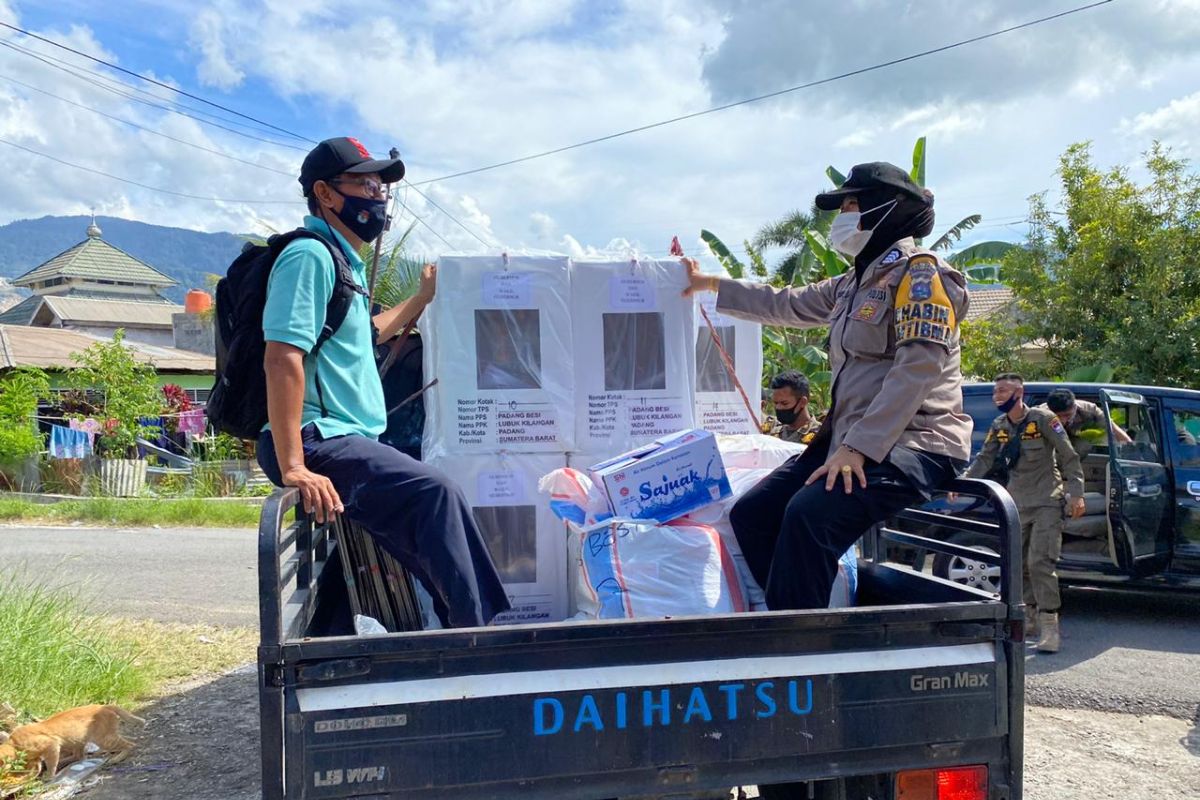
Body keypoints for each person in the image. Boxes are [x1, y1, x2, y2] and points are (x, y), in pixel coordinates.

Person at [683, 161, 972, 614]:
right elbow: (789, 303)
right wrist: (710, 285)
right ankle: (797, 616)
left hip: (913, 443)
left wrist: (859, 448)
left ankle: (801, 647)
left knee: (809, 516)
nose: (843, 216)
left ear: (883, 209)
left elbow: (918, 369)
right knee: (753, 514)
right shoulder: (855, 282)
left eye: (852, 204)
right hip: (850, 438)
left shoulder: (921, 277)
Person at [256, 136, 509, 629]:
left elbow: (371, 332)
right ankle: (475, 641)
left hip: (340, 438)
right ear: (326, 194)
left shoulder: (340, 262)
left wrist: (422, 297)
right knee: (435, 496)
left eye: (381, 186)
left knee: (413, 538)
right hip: (317, 438)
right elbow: (282, 356)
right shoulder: (309, 256)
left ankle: (341, 641)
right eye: (366, 183)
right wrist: (294, 467)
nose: (377, 195)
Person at [962, 374, 1085, 653]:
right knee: (1018, 563)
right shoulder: (999, 425)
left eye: (1003, 391)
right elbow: (985, 458)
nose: (997, 396)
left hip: (1046, 502)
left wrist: (1076, 493)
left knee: (1040, 562)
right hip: (1016, 503)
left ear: (1020, 392)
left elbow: (1068, 455)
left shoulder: (1043, 419)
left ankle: (1050, 626)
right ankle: (1028, 618)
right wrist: (965, 482)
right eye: (995, 392)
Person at [1041, 388, 1131, 456]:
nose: (1063, 420)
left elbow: (1113, 429)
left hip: (1072, 440)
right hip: (1047, 445)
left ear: (1074, 407)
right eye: (1058, 416)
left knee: (1083, 446)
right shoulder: (1040, 414)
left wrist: (1131, 450)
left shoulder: (1090, 410)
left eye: (1067, 415)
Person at [761, 370, 822, 444]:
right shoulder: (770, 431)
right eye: (776, 403)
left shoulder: (820, 435)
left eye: (784, 403)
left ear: (803, 402)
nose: (778, 407)